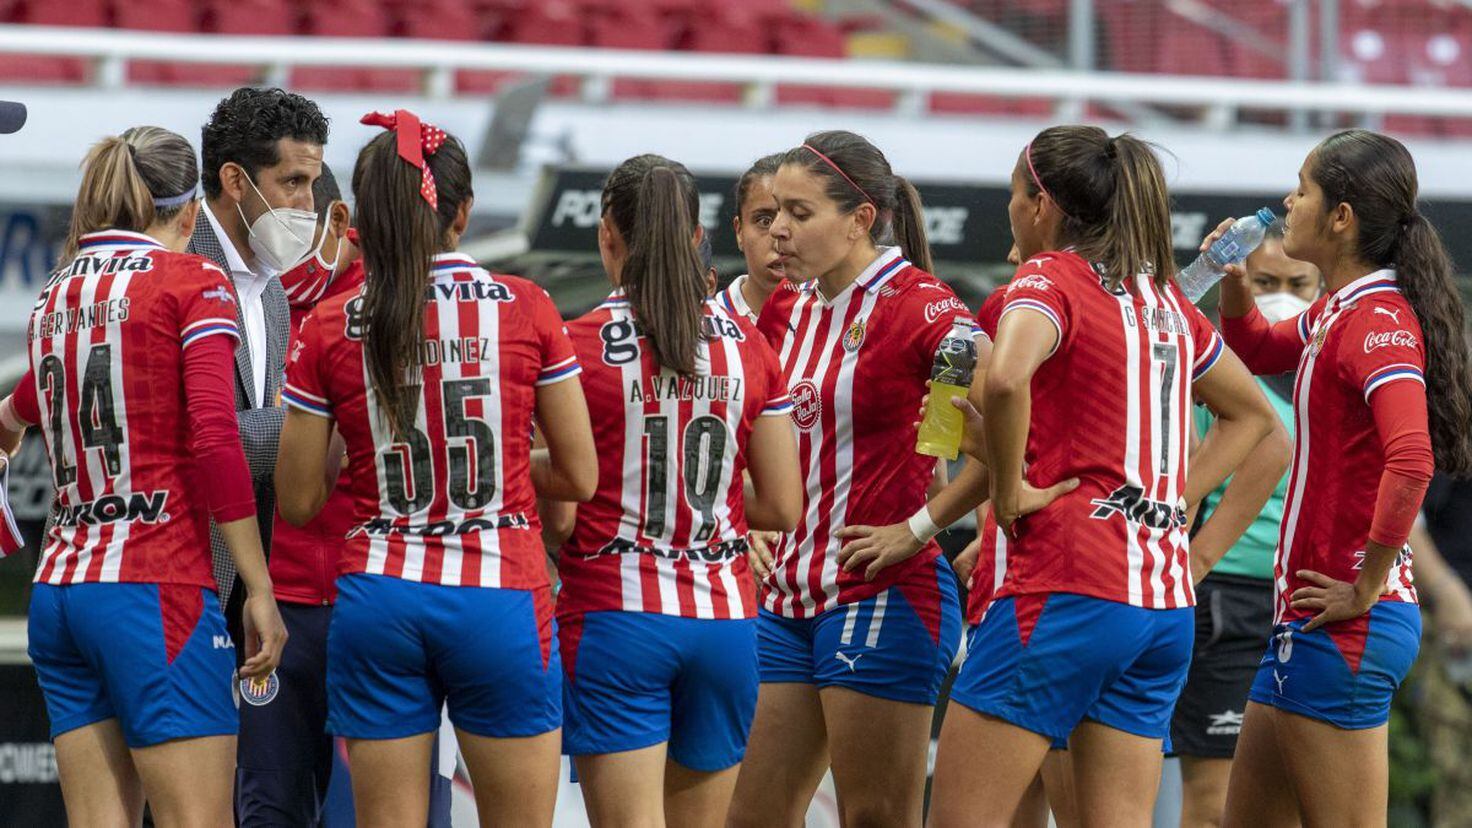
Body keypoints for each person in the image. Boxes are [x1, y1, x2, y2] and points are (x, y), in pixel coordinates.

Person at [926, 125, 1279, 827]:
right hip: (1158, 604)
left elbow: (1003, 381)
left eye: (1011, 197)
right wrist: (1174, 509)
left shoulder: (1044, 279)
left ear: (1039, 205)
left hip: (1059, 588)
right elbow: (1258, 422)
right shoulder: (1166, 302)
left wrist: (1006, 493)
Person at [274, 109, 597, 827]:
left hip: (379, 597)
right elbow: (579, 475)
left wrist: (365, 440)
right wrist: (501, 459)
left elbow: (297, 501)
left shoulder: (333, 320)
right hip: (500, 594)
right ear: (465, 212)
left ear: (365, 217)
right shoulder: (526, 305)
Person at [0, 126, 286, 826]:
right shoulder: (192, 281)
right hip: (157, 589)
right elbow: (218, 440)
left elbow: (10, 416)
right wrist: (258, 585)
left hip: (62, 592)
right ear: (191, 212)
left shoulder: (53, 297)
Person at [728, 130, 996, 827]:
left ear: (861, 219)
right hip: (787, 598)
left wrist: (917, 531)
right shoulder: (790, 306)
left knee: (874, 817)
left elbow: (1000, 450)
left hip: (879, 592)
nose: (779, 229)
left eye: (800, 212)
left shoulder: (925, 310)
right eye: (773, 212)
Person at [1217, 129, 1472, 826]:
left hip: (1347, 623)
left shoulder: (1375, 319)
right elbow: (1255, 347)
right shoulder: (1338, 308)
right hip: (1306, 621)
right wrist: (1236, 285)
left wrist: (1368, 580)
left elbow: (1412, 459)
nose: (1287, 201)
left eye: (1301, 188)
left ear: (1341, 217)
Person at [552, 153, 801, 826]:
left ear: (608, 235)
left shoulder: (575, 349)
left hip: (617, 615)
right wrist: (710, 502)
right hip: (725, 622)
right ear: (699, 237)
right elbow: (782, 505)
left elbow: (561, 519)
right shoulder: (749, 347)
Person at [1171, 221, 1317, 828]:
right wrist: (1196, 559)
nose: (1282, 293)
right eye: (1264, 281)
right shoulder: (1222, 372)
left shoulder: (1330, 365)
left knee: (1280, 802)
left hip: (1305, 600)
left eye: (1296, 282)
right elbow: (1184, 472)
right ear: (1239, 282)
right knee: (1216, 802)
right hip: (1225, 600)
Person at [235, 163, 365, 826]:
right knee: (268, 807)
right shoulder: (247, 299)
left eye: (303, 217)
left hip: (370, 604)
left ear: (339, 222)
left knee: (374, 811)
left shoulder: (391, 308)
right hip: (273, 607)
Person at [191, 86, 328, 649]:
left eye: (313, 184)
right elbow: (195, 439)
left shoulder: (272, 291)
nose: (308, 204)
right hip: (170, 571)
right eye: (292, 182)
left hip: (237, 576)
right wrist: (316, 422)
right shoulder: (179, 267)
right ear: (234, 181)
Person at [715, 153, 785, 325]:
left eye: (799, 216)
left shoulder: (840, 322)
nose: (779, 239)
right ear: (739, 232)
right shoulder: (704, 325)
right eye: (765, 221)